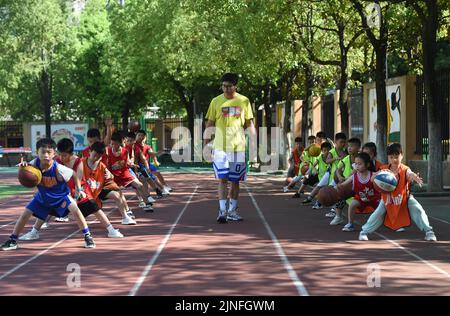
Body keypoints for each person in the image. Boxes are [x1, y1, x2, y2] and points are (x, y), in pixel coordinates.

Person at [19, 139, 123, 240]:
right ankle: (34, 232)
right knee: (48, 208)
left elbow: (78, 179)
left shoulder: (78, 162)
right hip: (61, 192)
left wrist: (78, 192)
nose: (61, 157)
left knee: (94, 208)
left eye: (64, 155)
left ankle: (111, 230)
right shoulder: (55, 160)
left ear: (71, 153)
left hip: (79, 191)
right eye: (60, 154)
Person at [1, 138, 96, 250]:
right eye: (43, 152)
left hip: (61, 197)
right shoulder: (33, 165)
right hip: (43, 198)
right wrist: (23, 167)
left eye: (49, 152)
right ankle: (13, 240)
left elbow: (74, 174)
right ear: (37, 153)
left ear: (54, 154)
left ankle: (87, 236)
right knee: (24, 215)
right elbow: (24, 172)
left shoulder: (59, 168)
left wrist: (79, 189)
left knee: (76, 210)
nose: (46, 155)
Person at [204, 72, 256, 223]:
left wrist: (253, 146)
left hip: (238, 147)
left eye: (229, 86)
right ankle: (222, 211)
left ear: (235, 86)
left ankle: (232, 211)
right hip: (220, 147)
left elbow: (249, 125)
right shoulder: (215, 101)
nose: (226, 89)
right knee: (222, 179)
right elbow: (210, 124)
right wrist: (206, 145)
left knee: (235, 180)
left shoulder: (244, 101)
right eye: (224, 86)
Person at [358, 143, 437, 241]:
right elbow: (373, 178)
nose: (394, 159)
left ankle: (429, 232)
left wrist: (414, 177)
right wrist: (374, 177)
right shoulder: (383, 170)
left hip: (405, 198)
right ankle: (364, 232)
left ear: (402, 156)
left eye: (396, 156)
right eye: (391, 157)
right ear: (388, 158)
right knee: (377, 214)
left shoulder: (405, 169)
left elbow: (410, 174)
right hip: (388, 198)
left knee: (418, 210)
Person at [330, 152, 381, 231]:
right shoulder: (354, 176)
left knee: (383, 209)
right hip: (360, 198)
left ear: (367, 165)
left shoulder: (373, 175)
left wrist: (382, 174)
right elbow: (343, 185)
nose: (357, 166)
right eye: (356, 164)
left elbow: (380, 174)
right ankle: (350, 224)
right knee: (352, 205)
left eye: (359, 164)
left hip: (374, 198)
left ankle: (393, 223)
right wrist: (335, 188)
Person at [107, 132, 154, 212]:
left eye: (116, 144)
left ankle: (147, 204)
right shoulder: (108, 151)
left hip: (124, 173)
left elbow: (128, 161)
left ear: (121, 142)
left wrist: (132, 164)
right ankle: (126, 211)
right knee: (118, 193)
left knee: (139, 185)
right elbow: (106, 166)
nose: (114, 146)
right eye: (112, 144)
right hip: (113, 176)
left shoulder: (125, 151)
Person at [328, 137, 361, 220]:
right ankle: (338, 216)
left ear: (358, 148)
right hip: (348, 184)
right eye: (348, 146)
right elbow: (338, 170)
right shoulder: (346, 159)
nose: (349, 148)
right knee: (338, 194)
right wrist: (339, 177)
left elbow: (354, 172)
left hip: (360, 184)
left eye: (352, 146)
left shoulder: (361, 159)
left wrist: (347, 178)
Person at [301, 142, 332, 208]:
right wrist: (310, 171)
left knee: (322, 190)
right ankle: (311, 198)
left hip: (329, 176)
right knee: (319, 188)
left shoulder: (332, 157)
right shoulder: (320, 158)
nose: (326, 152)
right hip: (320, 176)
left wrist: (332, 143)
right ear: (322, 151)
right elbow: (313, 165)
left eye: (328, 150)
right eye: (324, 150)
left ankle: (317, 202)